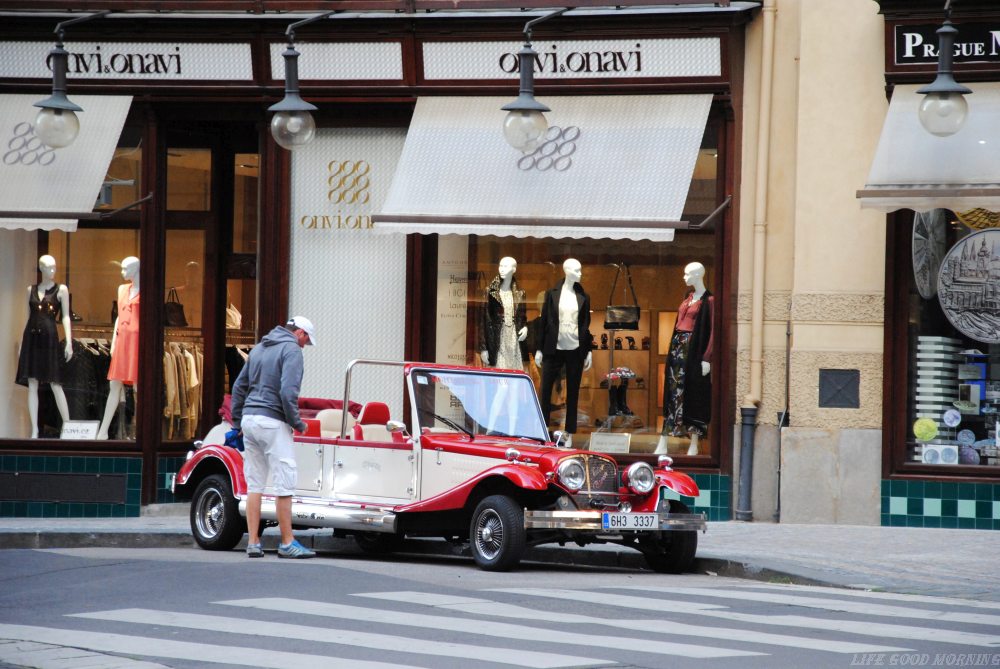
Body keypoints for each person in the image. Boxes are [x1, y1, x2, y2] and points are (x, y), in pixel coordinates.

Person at [231, 316, 318, 559]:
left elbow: (239, 386)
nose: (304, 346)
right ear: (299, 333)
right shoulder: (291, 350)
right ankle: (287, 542)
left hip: (249, 420)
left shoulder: (259, 348)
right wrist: (297, 423)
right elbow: (288, 391)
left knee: (255, 484)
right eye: (306, 341)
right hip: (273, 422)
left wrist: (238, 421)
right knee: (284, 482)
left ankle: (254, 542)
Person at [656, 261, 713, 456]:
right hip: (677, 347)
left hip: (693, 350)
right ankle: (663, 439)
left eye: (687, 274)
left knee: (693, 395)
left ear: (698, 275)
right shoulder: (687, 298)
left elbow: (713, 331)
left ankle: (694, 443)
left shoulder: (709, 300)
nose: (684, 277)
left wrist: (707, 358)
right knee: (672, 392)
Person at [535, 258, 593, 445]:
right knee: (545, 391)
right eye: (577, 270)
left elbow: (585, 325)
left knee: (573, 392)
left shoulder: (583, 296)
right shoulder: (552, 294)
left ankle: (569, 432)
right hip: (554, 348)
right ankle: (542, 431)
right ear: (567, 271)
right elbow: (544, 323)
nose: (580, 274)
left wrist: (588, 350)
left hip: (575, 348)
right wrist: (539, 348)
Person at [16, 255, 73, 438]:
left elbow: (65, 316)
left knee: (56, 382)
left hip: (49, 340)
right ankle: (35, 429)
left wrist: (69, 341)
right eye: (48, 267)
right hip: (31, 340)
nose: (52, 271)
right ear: (41, 268)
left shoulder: (61, 290)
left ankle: (69, 426)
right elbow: (27, 317)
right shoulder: (30, 290)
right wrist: (20, 342)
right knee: (32, 383)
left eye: (54, 267)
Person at [98, 256, 140, 440]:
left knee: (140, 388)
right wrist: (114, 342)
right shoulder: (122, 289)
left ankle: (140, 429)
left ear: (136, 269)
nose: (122, 273)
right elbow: (118, 317)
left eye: (125, 269)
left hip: (138, 343)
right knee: (114, 384)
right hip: (122, 341)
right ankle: (103, 431)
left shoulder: (147, 291)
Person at [479, 256, 528, 370]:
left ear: (514, 269)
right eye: (500, 266)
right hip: (497, 338)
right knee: (500, 377)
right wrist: (483, 348)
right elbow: (482, 322)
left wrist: (525, 328)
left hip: (514, 339)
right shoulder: (490, 292)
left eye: (505, 266)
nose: (502, 269)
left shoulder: (520, 293)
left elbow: (522, 317)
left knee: (515, 376)